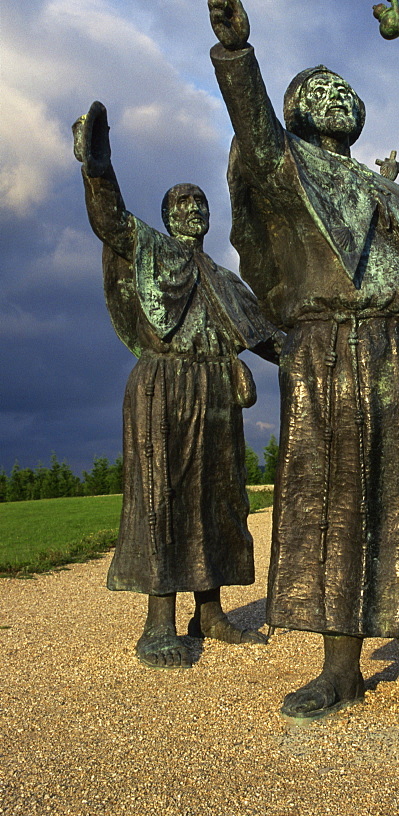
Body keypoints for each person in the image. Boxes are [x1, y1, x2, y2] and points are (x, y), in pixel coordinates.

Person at [204, 0, 399, 730]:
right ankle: (339, 670)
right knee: (330, 504)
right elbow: (256, 134)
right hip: (327, 347)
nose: (336, 96)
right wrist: (238, 56)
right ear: (295, 112)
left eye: (344, 89)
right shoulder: (289, 170)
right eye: (319, 90)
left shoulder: (398, 193)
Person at [73, 101, 283, 669]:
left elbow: (271, 337)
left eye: (200, 203)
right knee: (162, 499)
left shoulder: (225, 279)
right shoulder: (150, 249)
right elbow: (110, 219)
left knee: (217, 499)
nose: (193, 209)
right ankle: (159, 622)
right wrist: (98, 167)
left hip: (216, 393)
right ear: (167, 216)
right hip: (163, 384)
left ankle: (209, 613)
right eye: (182, 203)